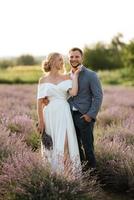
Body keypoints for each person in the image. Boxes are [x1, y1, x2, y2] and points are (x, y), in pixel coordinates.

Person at [37, 52, 81, 173]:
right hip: (49, 114)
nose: (63, 62)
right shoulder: (43, 80)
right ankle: (53, 174)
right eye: (60, 60)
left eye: (62, 60)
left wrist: (75, 76)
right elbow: (39, 102)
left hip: (64, 112)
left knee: (65, 144)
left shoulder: (66, 77)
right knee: (51, 146)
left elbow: (73, 93)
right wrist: (41, 121)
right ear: (52, 61)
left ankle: (66, 175)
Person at [68, 47, 103, 170]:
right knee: (75, 147)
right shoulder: (66, 76)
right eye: (71, 56)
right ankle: (82, 174)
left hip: (84, 116)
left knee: (88, 148)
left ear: (82, 58)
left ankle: (94, 176)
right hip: (68, 116)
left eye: (77, 56)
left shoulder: (91, 75)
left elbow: (98, 96)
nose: (74, 59)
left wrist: (90, 115)